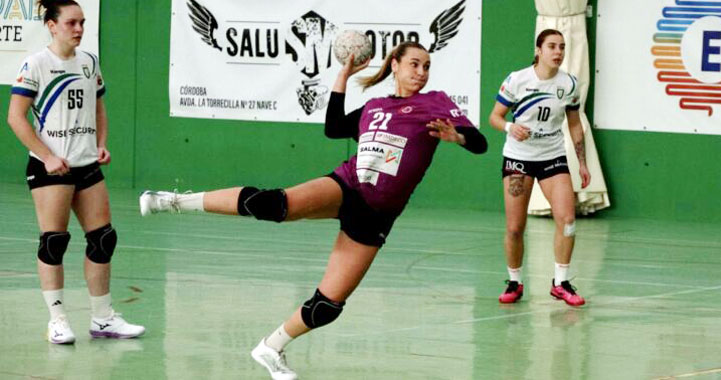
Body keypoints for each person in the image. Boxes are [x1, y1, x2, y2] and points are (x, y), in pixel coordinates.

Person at [139, 41, 487, 379]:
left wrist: (457, 138)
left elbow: (480, 143)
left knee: (328, 306)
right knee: (274, 205)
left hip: (377, 214)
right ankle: (172, 200)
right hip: (347, 185)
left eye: (427, 66)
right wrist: (343, 76)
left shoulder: (435, 103)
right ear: (394, 64)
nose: (422, 72)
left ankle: (271, 347)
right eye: (414, 64)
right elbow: (333, 128)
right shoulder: (375, 106)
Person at [7, 0, 145, 344]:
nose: (79, 29)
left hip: (86, 166)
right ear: (52, 26)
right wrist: (46, 156)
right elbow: (15, 118)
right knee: (54, 242)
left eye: (82, 22)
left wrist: (101, 143)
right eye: (71, 23)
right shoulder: (36, 64)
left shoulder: (89, 62)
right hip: (50, 168)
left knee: (103, 238)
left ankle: (102, 320)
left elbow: (98, 107)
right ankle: (57, 320)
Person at [488, 29, 591, 307]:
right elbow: (494, 117)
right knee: (514, 228)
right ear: (538, 50)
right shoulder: (517, 80)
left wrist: (582, 163)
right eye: (552, 46)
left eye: (562, 47)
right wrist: (511, 126)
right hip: (518, 160)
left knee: (568, 220)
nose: (558, 52)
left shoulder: (569, 84)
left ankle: (560, 282)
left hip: (552, 158)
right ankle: (514, 281)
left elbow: (574, 124)